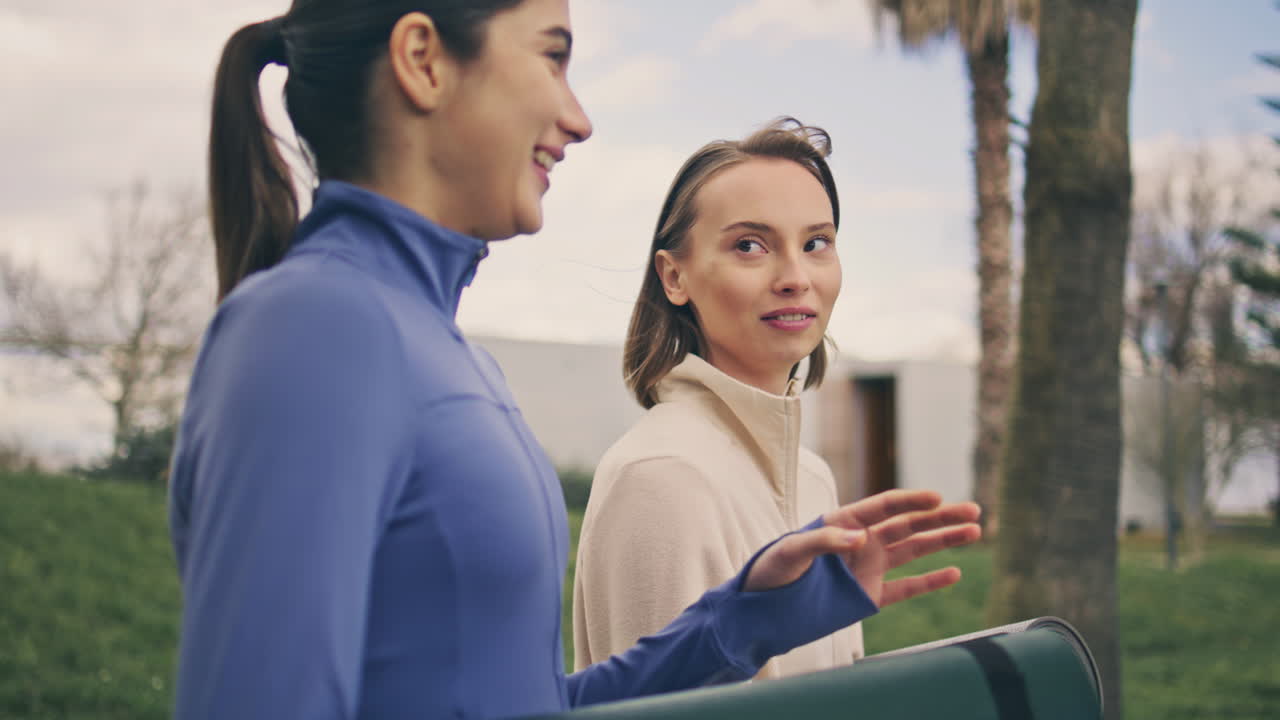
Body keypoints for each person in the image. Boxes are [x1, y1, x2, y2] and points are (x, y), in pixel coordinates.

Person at [169, 2, 983, 719]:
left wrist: (741, 621)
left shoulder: (451, 357)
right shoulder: (315, 326)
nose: (578, 117)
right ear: (423, 60)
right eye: (552, 56)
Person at [574, 119, 868, 679]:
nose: (795, 276)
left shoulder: (815, 478)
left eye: (816, 243)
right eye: (750, 245)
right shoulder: (661, 475)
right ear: (674, 276)